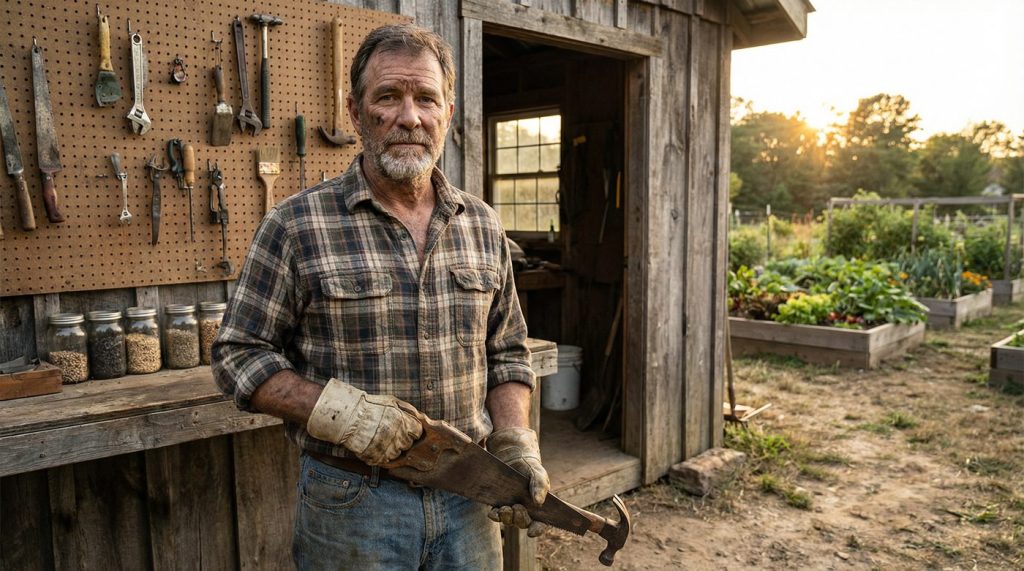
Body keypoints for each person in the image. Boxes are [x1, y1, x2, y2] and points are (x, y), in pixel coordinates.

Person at [211, 23, 549, 569]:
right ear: (355, 110)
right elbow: (238, 355)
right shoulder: (296, 224)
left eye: (425, 99)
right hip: (352, 503)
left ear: (448, 111)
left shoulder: (482, 224)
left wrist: (515, 442)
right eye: (387, 96)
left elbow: (507, 352)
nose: (408, 117)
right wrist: (342, 413)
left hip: (469, 495)